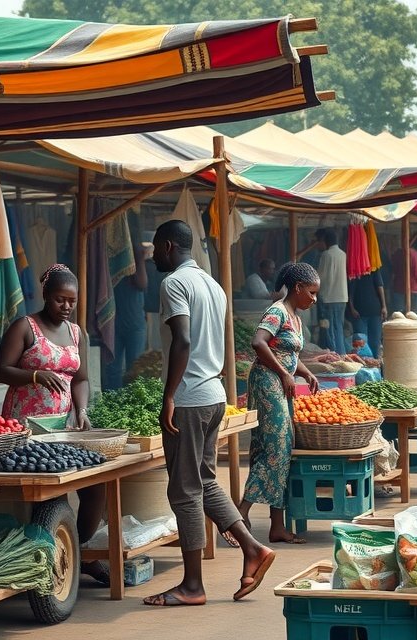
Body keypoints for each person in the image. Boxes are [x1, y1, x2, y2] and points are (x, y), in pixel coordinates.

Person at [146, 220, 275, 606]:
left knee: (184, 491)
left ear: (168, 246)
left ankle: (192, 586)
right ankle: (253, 548)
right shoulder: (213, 285)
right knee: (203, 480)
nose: (153, 254)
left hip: (189, 398)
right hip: (214, 396)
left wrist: (168, 395)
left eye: (155, 247)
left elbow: (182, 340)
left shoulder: (174, 284)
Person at [0, 265, 110, 585]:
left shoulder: (77, 333)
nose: (67, 307)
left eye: (72, 301)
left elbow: (81, 379)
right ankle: (41, 556)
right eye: (60, 300)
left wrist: (82, 410)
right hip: (25, 429)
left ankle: (81, 549)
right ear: (46, 296)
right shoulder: (25, 327)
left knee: (95, 485)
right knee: (47, 491)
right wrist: (33, 375)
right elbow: (0, 371)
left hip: (63, 426)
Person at [235, 263, 321, 546]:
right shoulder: (277, 311)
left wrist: (304, 371)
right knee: (274, 448)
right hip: (267, 383)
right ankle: (239, 515)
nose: (314, 298)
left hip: (281, 383)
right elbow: (259, 343)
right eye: (311, 292)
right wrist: (285, 373)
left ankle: (277, 525)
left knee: (282, 449)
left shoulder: (295, 316)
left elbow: (287, 353)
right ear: (297, 288)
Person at [104, 242, 149, 389]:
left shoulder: (134, 253)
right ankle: (115, 406)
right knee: (113, 370)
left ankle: (131, 405)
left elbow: (142, 283)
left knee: (134, 370)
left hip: (134, 324)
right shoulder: (110, 255)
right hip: (115, 323)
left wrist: (138, 256)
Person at [301, 228, 346, 352]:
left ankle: (333, 356)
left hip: (328, 299)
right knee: (338, 329)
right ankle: (341, 354)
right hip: (341, 298)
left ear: (325, 241)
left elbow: (319, 278)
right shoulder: (343, 254)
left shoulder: (326, 255)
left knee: (328, 329)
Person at [347, 266, 388, 358]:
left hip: (374, 311)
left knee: (375, 342)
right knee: (361, 344)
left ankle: (374, 364)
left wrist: (384, 306)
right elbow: (350, 289)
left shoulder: (373, 268)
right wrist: (352, 307)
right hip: (359, 313)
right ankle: (366, 365)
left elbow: (379, 286)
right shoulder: (355, 267)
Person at [391, 239, 417, 314]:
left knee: (399, 316)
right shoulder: (414, 253)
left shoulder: (397, 253)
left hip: (399, 288)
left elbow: (393, 271)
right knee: (413, 316)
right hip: (415, 289)